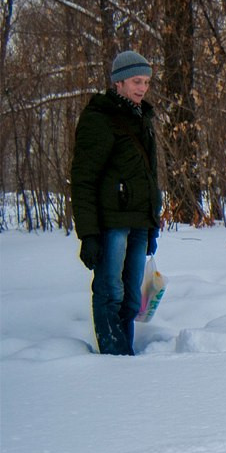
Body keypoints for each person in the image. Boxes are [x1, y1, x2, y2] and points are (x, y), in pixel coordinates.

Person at [70, 50, 162, 355]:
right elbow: (83, 179)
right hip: (112, 224)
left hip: (138, 223)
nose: (142, 88)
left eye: (146, 82)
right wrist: (89, 234)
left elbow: (149, 175)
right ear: (119, 82)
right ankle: (115, 360)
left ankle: (125, 356)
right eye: (137, 81)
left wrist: (152, 225)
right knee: (111, 292)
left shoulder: (142, 118)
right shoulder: (100, 118)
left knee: (132, 299)